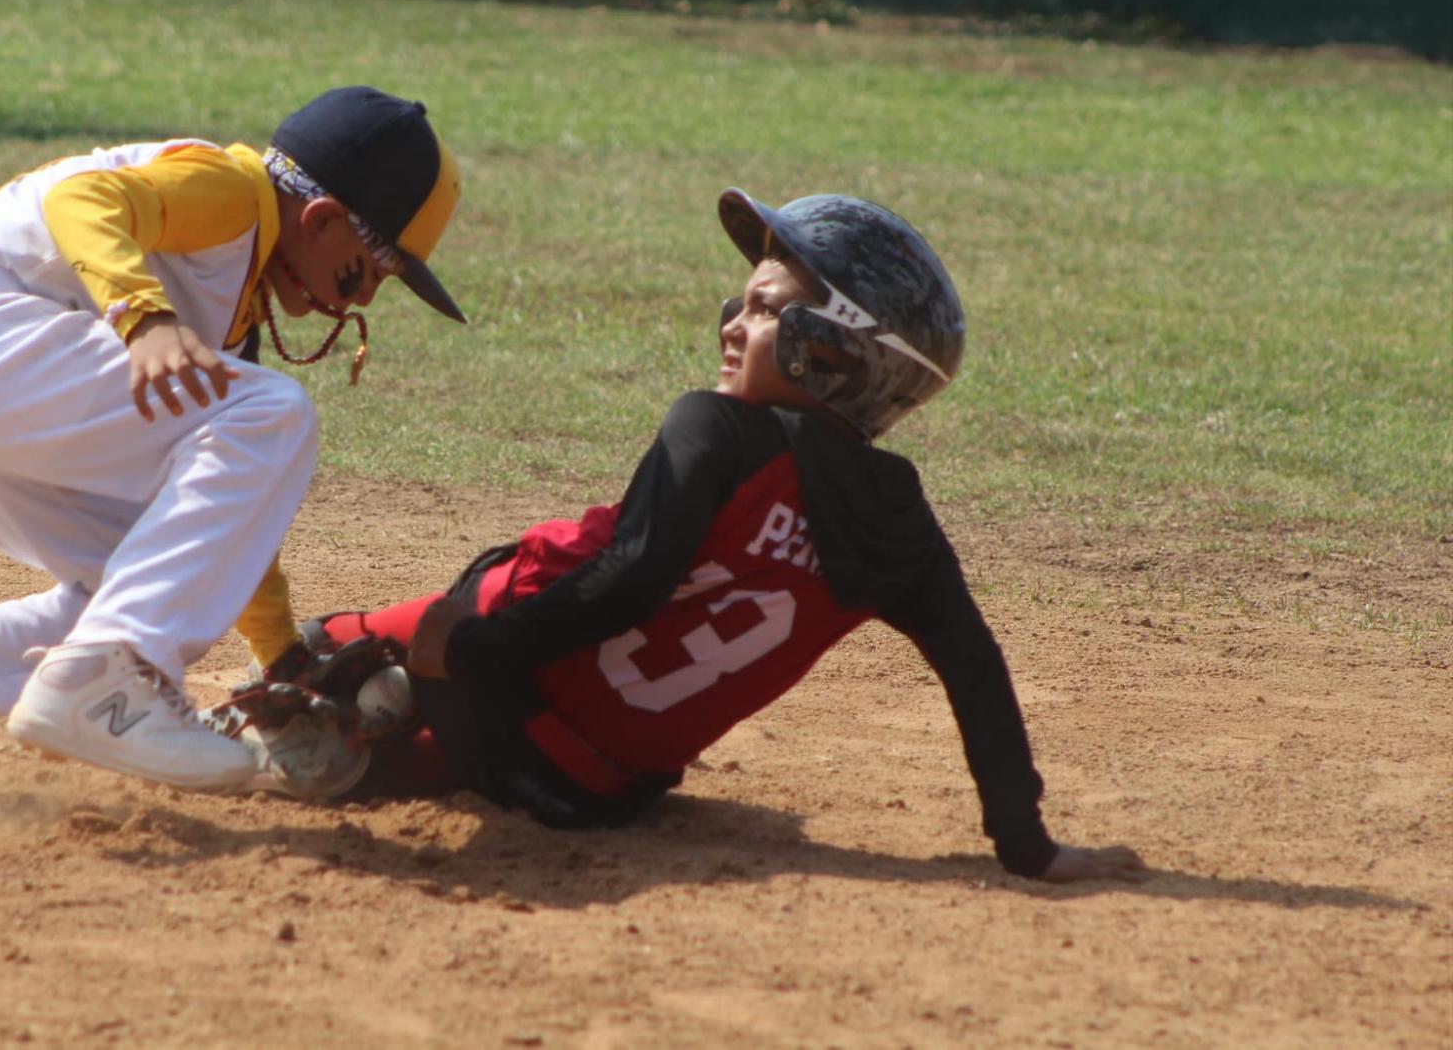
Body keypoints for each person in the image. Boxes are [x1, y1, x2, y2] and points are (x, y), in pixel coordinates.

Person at [293, 189, 1143, 884]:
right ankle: (387, 741)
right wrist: (1027, 845)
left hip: (499, 676)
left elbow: (631, 579)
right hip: (587, 791)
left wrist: (472, 649)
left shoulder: (720, 429)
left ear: (835, 352)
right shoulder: (899, 522)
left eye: (767, 311)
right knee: (403, 763)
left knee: (319, 648)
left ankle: (354, 685)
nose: (734, 322)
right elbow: (976, 670)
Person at [0, 86, 466, 804]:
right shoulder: (233, 191)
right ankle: (102, 677)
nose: (362, 300)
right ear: (323, 218)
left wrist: (282, 656)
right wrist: (144, 318)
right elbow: (83, 198)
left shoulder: (234, 303)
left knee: (164, 582)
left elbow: (218, 529)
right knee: (278, 413)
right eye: (373, 268)